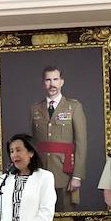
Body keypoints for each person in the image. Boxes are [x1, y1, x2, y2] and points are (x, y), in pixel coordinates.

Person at [30, 65, 87, 212]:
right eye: (48, 80)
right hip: (41, 171)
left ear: (62, 82)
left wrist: (77, 176)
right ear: (43, 83)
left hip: (65, 173)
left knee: (66, 218)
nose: (52, 84)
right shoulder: (35, 108)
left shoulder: (74, 107)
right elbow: (32, 144)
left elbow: (81, 143)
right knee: (41, 217)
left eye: (55, 79)